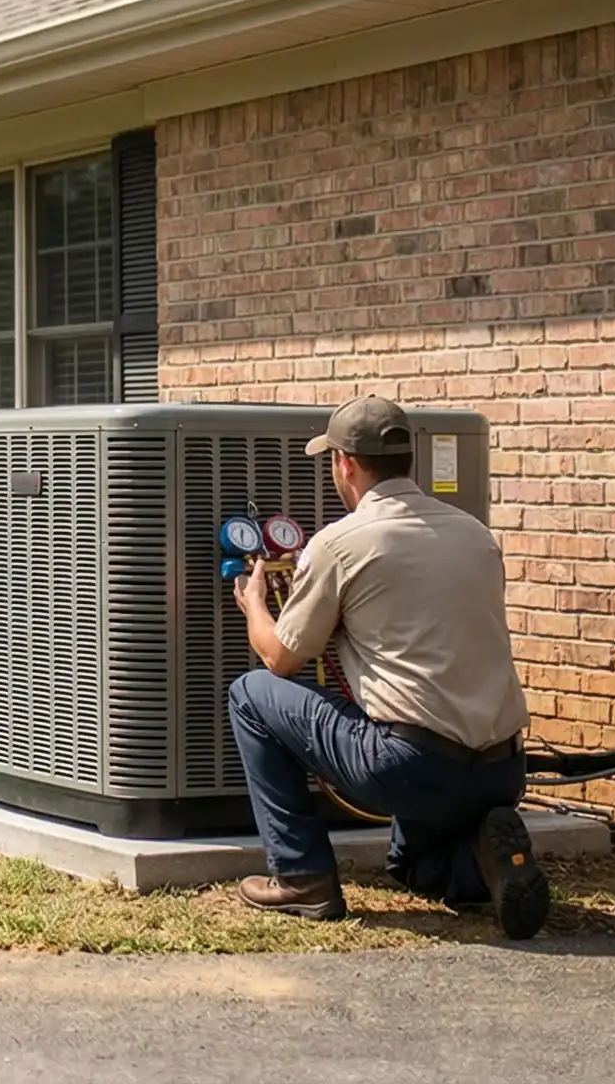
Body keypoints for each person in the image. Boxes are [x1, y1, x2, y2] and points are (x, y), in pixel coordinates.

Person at [225, 395, 551, 939]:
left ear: (345, 464)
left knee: (251, 693)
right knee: (412, 868)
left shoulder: (340, 543)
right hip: (501, 770)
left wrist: (254, 602)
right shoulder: (476, 534)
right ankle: (486, 860)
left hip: (409, 767)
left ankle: (302, 878)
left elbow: (280, 659)